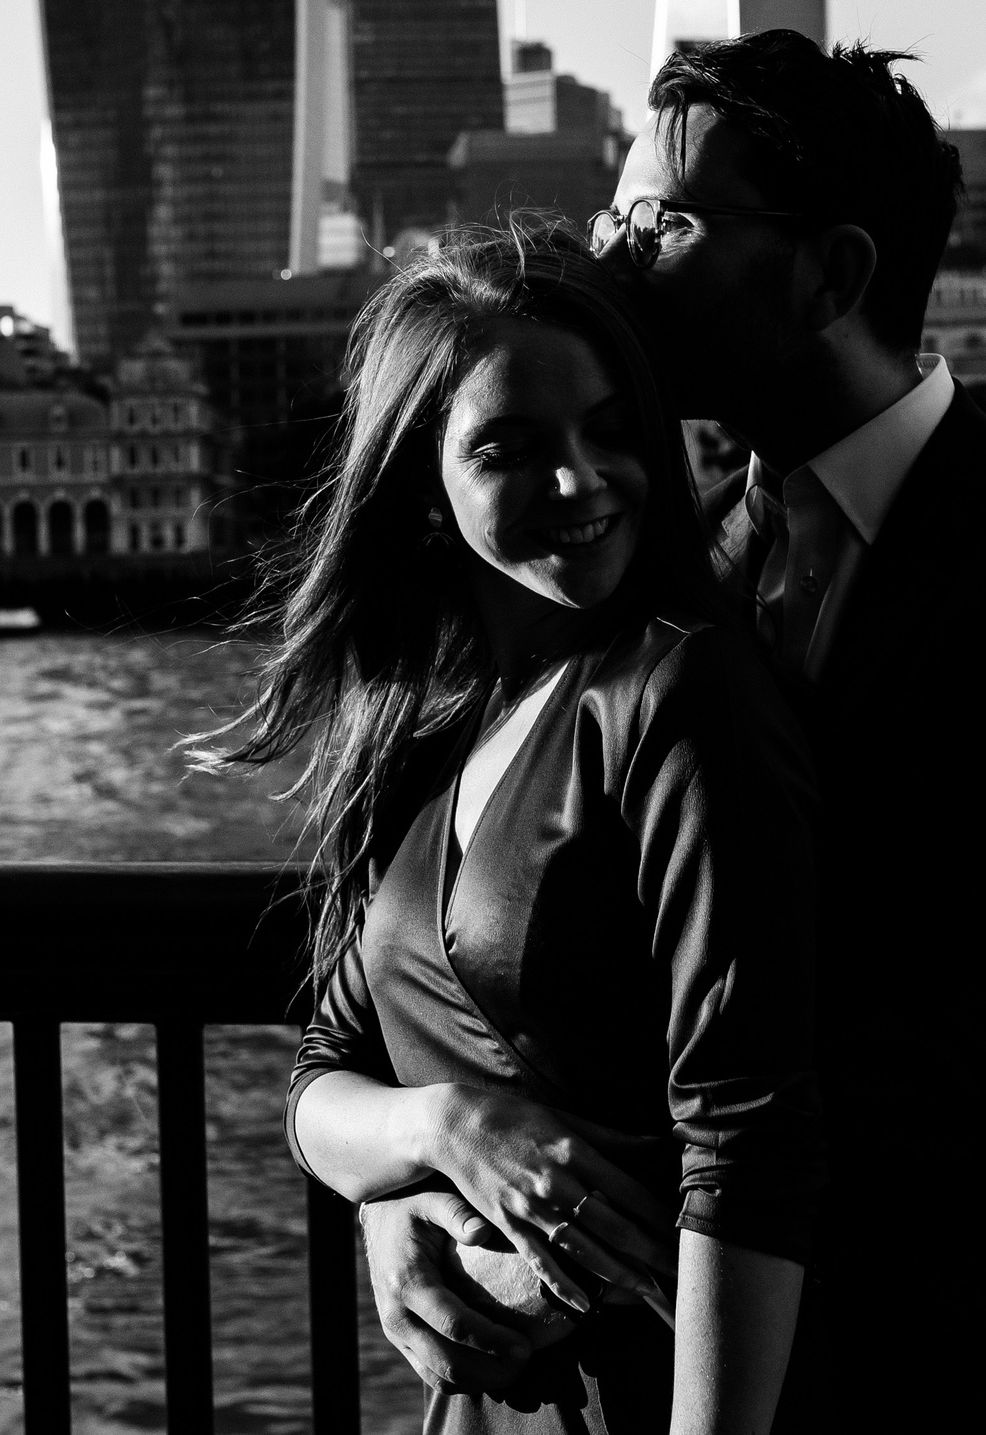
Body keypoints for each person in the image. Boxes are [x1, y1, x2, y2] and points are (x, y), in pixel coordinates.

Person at [357, 33, 986, 1430]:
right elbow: (470, 959)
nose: (617, 256)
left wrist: (547, 1209)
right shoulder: (653, 569)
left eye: (667, 219)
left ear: (833, 273)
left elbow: (978, 1048)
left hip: (978, 1373)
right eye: (616, 216)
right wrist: (422, 1181)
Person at [197, 218, 827, 1431]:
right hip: (492, 1405)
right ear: (424, 489)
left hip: (654, 1390)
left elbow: (749, 1151)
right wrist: (436, 1141)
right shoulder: (426, 728)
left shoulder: (679, 699)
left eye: (609, 430)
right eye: (510, 448)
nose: (582, 481)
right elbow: (325, 1079)